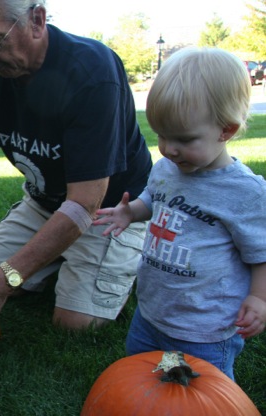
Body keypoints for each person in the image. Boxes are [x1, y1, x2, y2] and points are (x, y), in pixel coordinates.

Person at [0, 0, 152, 354]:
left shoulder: (92, 72)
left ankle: (134, 250)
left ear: (37, 20)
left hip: (112, 212)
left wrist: (6, 279)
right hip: (44, 204)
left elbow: (85, 203)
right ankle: (54, 259)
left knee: (75, 325)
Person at [94, 47, 266, 380]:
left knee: (203, 394)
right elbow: (154, 200)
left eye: (184, 139)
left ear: (226, 130)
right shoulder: (166, 168)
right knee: (143, 379)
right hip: (152, 314)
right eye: (161, 135)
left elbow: (261, 254)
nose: (169, 149)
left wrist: (259, 298)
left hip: (205, 328)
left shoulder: (245, 192)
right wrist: (131, 213)